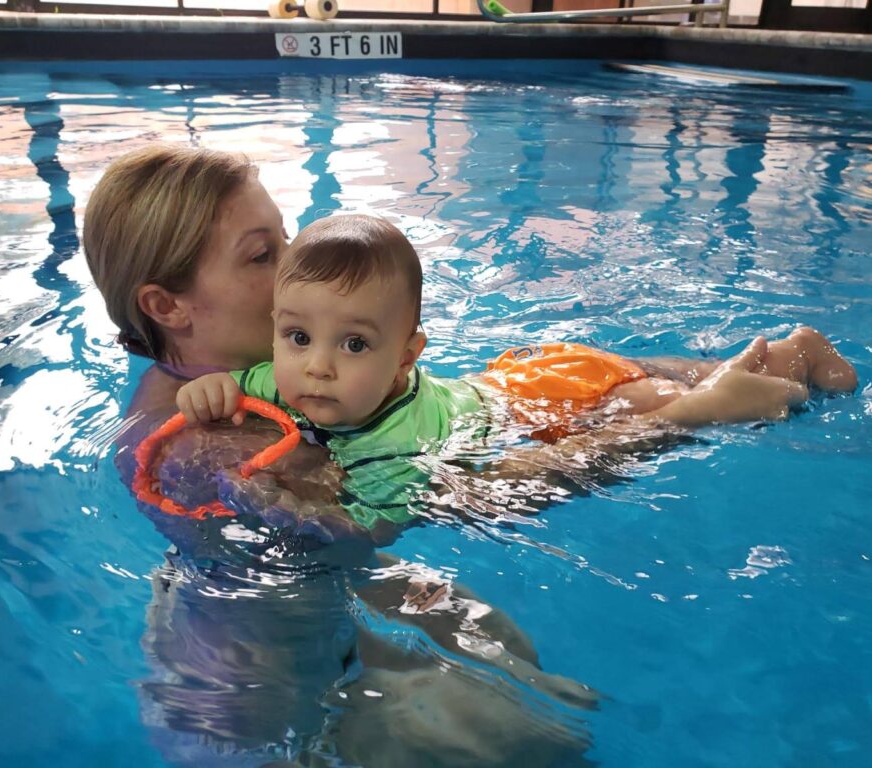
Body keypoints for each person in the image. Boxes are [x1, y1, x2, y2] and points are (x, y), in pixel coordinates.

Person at [84, 144, 602, 767]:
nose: (294, 266)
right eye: (262, 254)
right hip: (265, 718)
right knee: (538, 742)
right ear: (167, 306)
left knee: (490, 632)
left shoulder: (261, 382)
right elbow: (445, 496)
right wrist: (661, 425)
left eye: (286, 237)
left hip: (298, 597)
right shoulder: (206, 444)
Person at [174, 213, 857, 530]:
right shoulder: (279, 376)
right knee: (668, 373)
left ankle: (747, 385)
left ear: (407, 356)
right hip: (527, 372)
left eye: (353, 346)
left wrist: (305, 513)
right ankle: (795, 350)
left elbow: (374, 526)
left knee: (661, 403)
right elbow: (239, 388)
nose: (315, 366)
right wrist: (211, 393)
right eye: (296, 336)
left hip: (555, 402)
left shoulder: (396, 450)